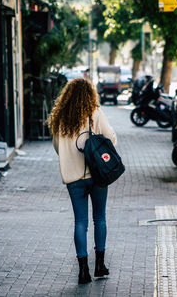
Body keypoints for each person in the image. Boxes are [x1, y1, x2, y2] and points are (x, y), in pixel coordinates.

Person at [48, 78, 117, 284]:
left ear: (67, 95)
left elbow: (57, 146)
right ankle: (100, 265)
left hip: (73, 178)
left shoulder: (61, 117)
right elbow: (111, 138)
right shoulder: (94, 113)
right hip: (97, 175)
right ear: (90, 94)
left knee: (80, 222)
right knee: (100, 219)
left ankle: (83, 271)